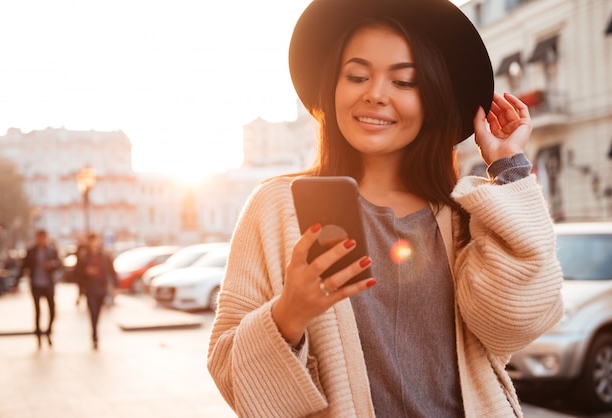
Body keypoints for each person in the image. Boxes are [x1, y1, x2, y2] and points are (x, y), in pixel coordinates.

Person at [207, 0, 565, 417]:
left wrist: (507, 166)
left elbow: (520, 323)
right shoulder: (275, 208)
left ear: (431, 99)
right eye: (357, 76)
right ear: (332, 89)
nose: (375, 94)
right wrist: (290, 312)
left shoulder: (465, 216)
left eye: (404, 82)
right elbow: (229, 371)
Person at [17, 229, 62, 348]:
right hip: (36, 284)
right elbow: (23, 267)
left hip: (48, 285)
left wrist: (52, 265)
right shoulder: (31, 251)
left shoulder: (52, 251)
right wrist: (16, 282)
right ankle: (38, 334)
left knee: (52, 310)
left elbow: (59, 264)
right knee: (37, 311)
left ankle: (48, 331)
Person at [73, 232, 117, 350]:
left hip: (101, 288)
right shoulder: (83, 256)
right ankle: (94, 333)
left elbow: (112, 272)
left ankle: (95, 329)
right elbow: (76, 274)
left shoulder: (104, 256)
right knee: (92, 311)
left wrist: (115, 287)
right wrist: (86, 272)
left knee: (98, 311)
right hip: (89, 288)